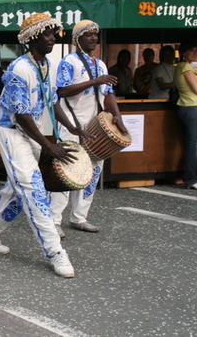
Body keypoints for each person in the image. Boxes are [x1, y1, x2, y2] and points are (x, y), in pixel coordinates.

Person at [0, 13, 85, 278]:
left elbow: (51, 101)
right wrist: (47, 145)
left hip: (31, 132)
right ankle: (56, 252)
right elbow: (21, 115)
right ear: (32, 38)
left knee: (17, 190)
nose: (52, 38)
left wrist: (70, 127)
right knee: (33, 189)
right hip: (11, 131)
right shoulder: (18, 70)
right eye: (47, 34)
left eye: (53, 33)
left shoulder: (49, 64)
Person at [51, 20, 128, 237]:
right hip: (72, 125)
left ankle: (79, 217)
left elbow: (109, 94)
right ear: (77, 39)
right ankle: (54, 219)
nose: (94, 38)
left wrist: (118, 117)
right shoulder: (69, 62)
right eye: (88, 35)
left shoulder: (100, 64)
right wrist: (94, 81)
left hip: (95, 126)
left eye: (95, 34)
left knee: (93, 171)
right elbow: (63, 91)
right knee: (66, 172)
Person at [173, 40, 197, 190]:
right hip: (191, 106)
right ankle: (191, 178)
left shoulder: (189, 67)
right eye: (193, 50)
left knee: (193, 144)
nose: (195, 54)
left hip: (190, 106)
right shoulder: (185, 67)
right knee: (193, 145)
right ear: (185, 53)